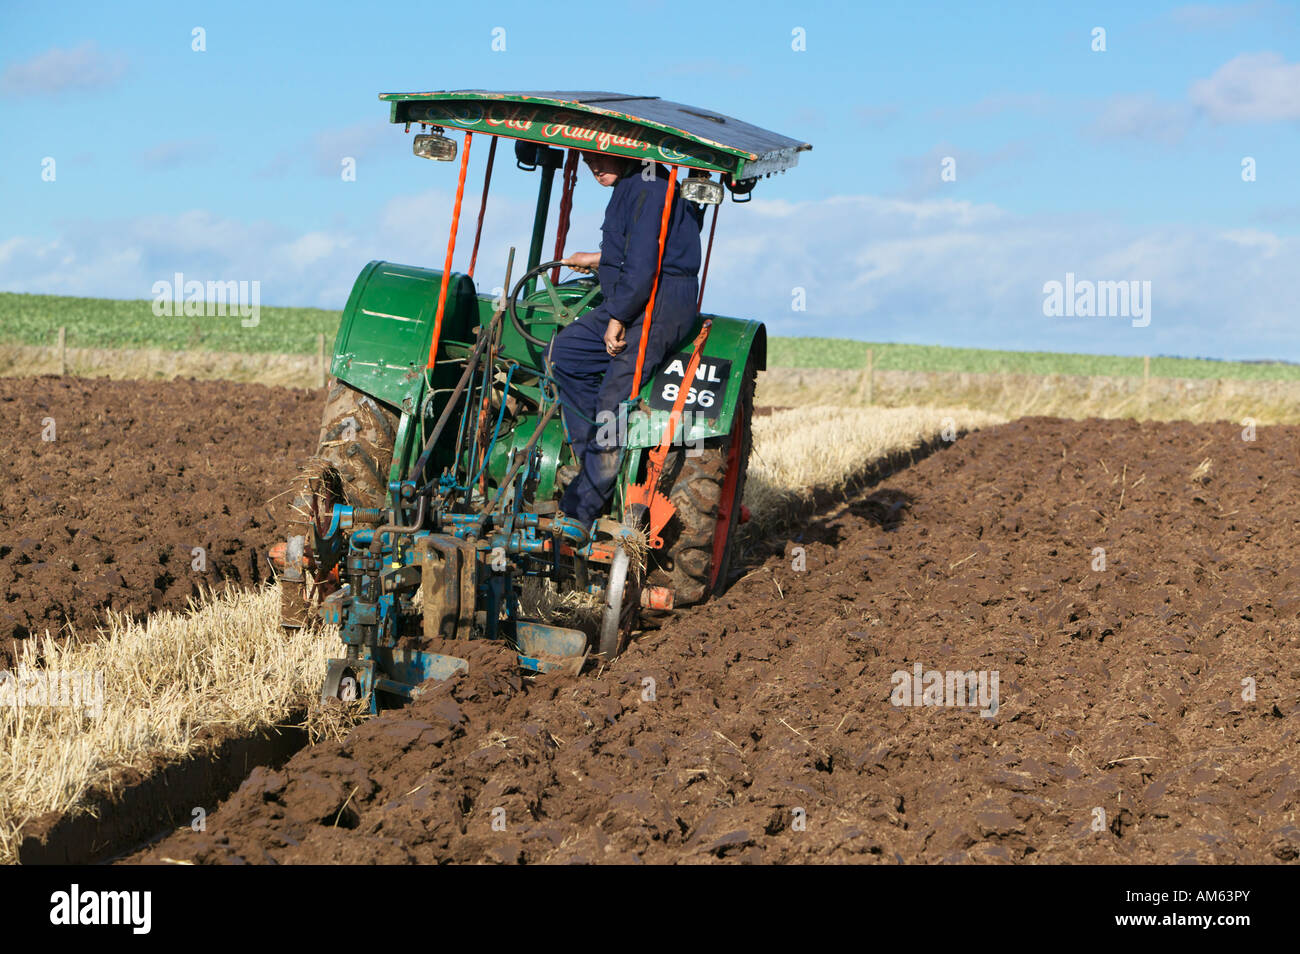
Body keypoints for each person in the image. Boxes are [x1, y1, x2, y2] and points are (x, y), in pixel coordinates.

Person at [546, 151, 704, 543]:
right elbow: (636, 251)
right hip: (635, 292)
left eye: (601, 159)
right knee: (564, 354)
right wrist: (596, 259)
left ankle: (582, 511)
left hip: (658, 302)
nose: (595, 167)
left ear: (626, 154)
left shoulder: (650, 186)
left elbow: (645, 263)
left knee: (613, 397)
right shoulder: (632, 184)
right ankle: (592, 465)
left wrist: (618, 316)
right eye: (587, 161)